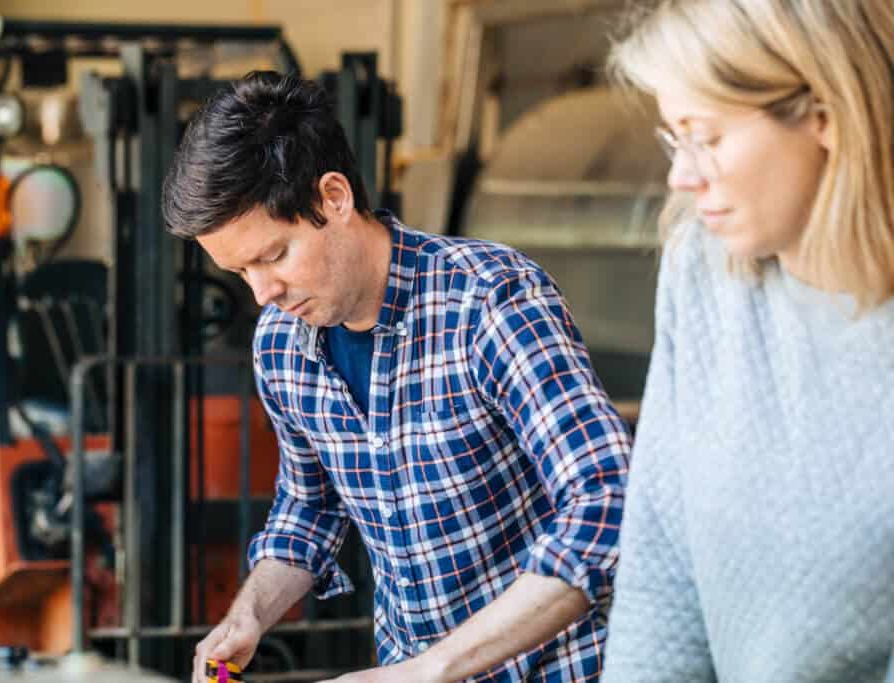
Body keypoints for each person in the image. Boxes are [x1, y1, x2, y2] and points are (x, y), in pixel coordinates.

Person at [162, 72, 631, 682]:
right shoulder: (281, 345)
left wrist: (428, 670)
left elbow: (606, 500)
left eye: (273, 256)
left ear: (334, 198)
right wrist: (248, 614)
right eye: (240, 272)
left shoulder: (489, 302)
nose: (262, 292)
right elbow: (310, 507)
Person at [602, 1, 894, 681]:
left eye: (706, 137)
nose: (682, 177)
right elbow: (661, 569)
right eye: (674, 140)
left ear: (827, 115)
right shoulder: (702, 268)